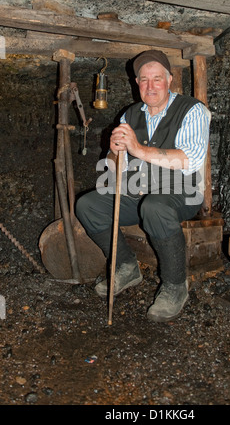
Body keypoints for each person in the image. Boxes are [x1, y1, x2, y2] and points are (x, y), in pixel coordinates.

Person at [76, 50, 211, 322]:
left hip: (181, 193)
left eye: (157, 79)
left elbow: (191, 158)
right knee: (88, 205)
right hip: (137, 192)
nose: (150, 86)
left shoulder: (192, 110)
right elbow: (115, 169)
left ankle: (175, 286)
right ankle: (126, 266)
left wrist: (137, 148)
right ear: (137, 83)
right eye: (144, 80)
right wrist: (114, 152)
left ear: (169, 80)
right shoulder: (130, 115)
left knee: (156, 207)